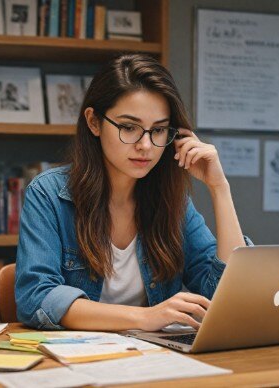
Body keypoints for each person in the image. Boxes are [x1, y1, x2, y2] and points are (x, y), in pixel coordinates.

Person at [15, 54, 251, 331]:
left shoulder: (172, 202)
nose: (146, 146)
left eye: (159, 130)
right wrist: (145, 317)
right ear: (93, 122)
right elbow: (36, 297)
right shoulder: (49, 194)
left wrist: (219, 188)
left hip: (153, 360)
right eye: (129, 127)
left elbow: (229, 296)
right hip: (76, 362)